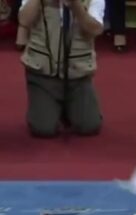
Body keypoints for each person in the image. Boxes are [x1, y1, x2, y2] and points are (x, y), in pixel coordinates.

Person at [19, 0, 104, 137]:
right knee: (43, 129)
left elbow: (95, 29)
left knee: (89, 126)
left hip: (78, 75)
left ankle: (70, 107)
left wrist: (76, 6)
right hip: (42, 74)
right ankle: (49, 106)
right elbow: (24, 20)